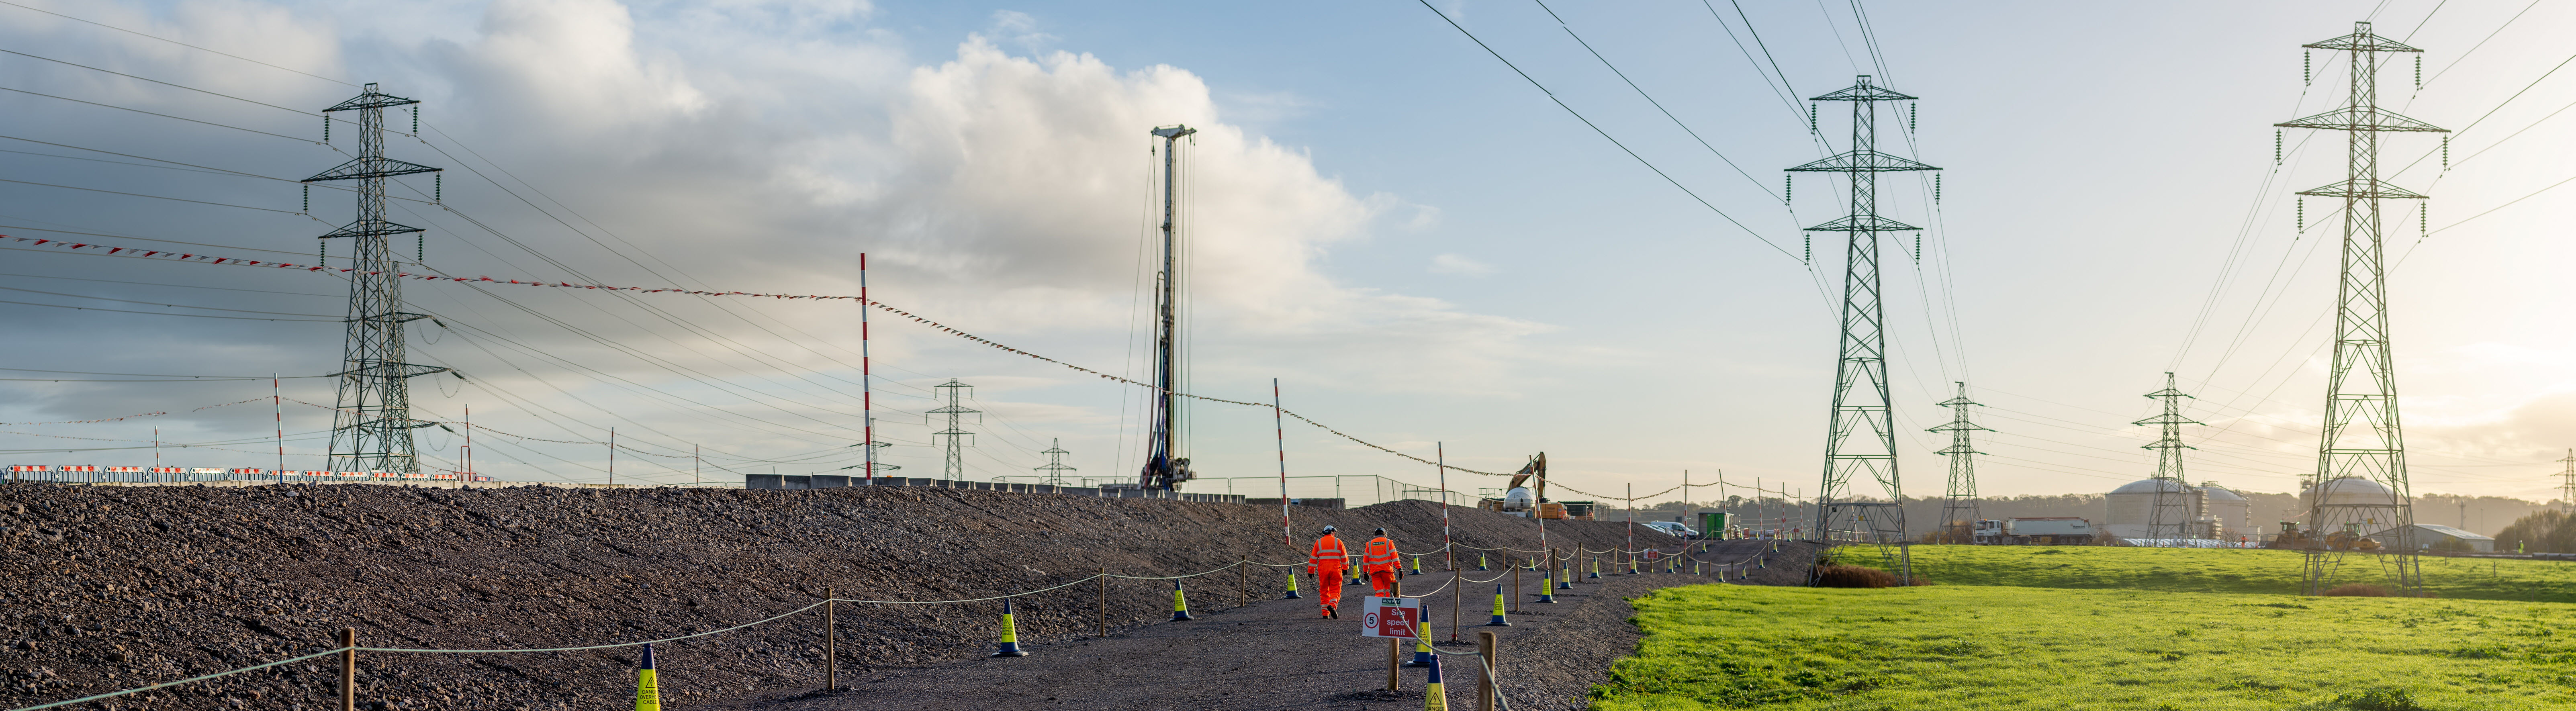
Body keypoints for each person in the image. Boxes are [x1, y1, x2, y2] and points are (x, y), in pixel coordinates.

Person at [1307, 524, 1350, 619]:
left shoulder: (1318, 543)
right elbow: (1344, 557)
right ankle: (1333, 605)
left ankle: (1325, 614)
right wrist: (1345, 568)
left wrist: (1311, 571)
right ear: (1333, 532)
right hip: (1336, 569)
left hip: (1323, 571)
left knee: (1324, 591)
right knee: (1336, 590)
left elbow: (1313, 558)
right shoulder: (1338, 542)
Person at [1362, 527, 1401, 598]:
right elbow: (1395, 558)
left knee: (1379, 592)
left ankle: (1379, 608)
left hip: (1375, 572)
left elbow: (1366, 561)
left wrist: (1365, 572)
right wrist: (1400, 569)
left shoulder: (1369, 544)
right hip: (1387, 571)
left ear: (1376, 535)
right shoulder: (1389, 542)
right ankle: (1390, 608)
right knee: (1390, 592)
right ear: (1385, 534)